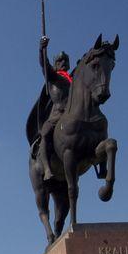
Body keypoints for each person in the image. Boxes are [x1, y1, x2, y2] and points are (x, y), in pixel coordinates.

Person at [35, 35, 73, 181]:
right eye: (59, 61)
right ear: (56, 64)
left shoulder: (73, 80)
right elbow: (44, 64)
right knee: (45, 134)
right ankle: (47, 168)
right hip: (58, 114)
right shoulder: (54, 77)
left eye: (65, 61)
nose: (63, 63)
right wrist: (42, 49)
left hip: (73, 113)